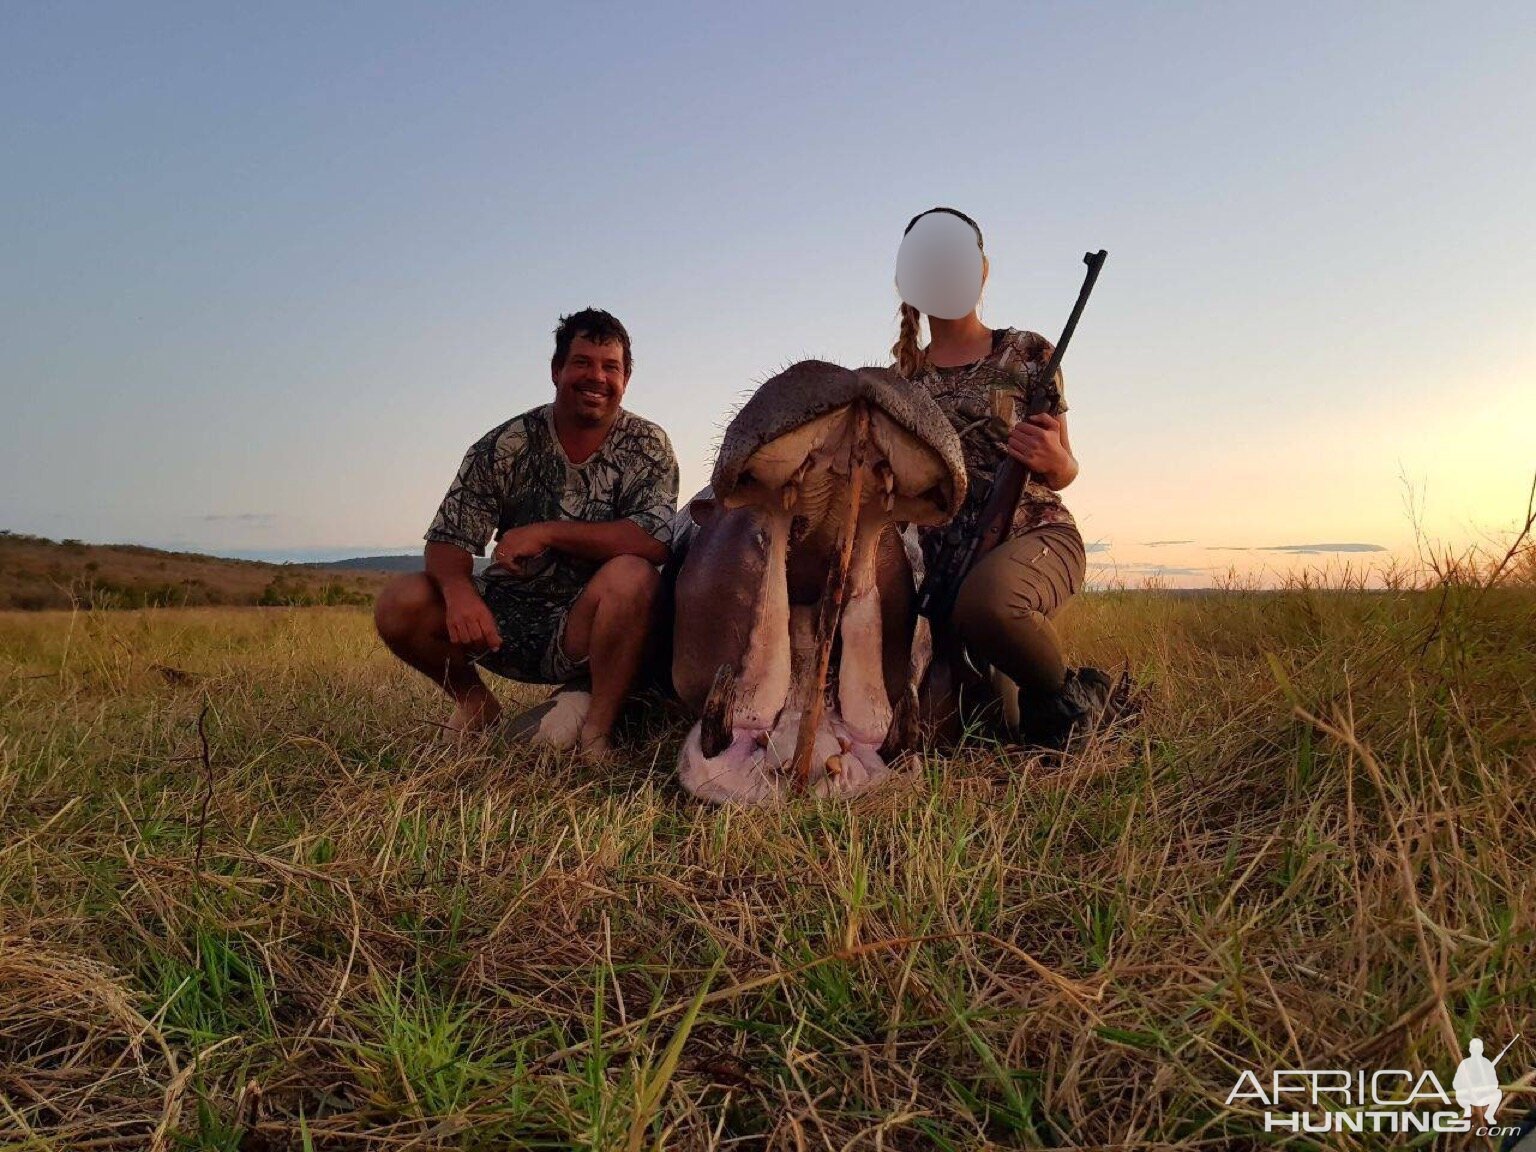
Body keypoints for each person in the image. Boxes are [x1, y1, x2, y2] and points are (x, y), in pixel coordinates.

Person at [374, 308, 679, 759]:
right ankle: (476, 706)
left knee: (634, 575)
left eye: (610, 366)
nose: (596, 376)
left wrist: (548, 532)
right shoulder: (505, 444)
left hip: (591, 626)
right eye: (582, 362)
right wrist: (459, 592)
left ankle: (597, 734)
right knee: (400, 600)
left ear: (626, 378)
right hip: (503, 623)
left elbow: (653, 540)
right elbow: (448, 537)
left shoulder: (648, 444)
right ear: (556, 371)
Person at [891, 207, 1119, 747]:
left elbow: (1065, 470)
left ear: (982, 271)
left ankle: (1077, 694)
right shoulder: (901, 380)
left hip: (1035, 534)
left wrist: (1053, 460)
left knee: (988, 607)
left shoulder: (1029, 352)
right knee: (976, 728)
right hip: (937, 562)